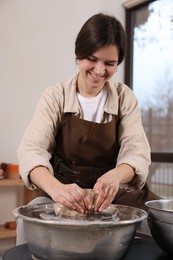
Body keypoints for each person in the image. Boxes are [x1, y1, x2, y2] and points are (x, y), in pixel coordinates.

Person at [16, 13, 160, 244]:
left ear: (118, 63)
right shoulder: (56, 96)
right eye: (92, 59)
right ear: (78, 54)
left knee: (160, 221)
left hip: (116, 193)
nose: (99, 70)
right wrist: (56, 189)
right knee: (28, 222)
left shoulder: (125, 98)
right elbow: (31, 151)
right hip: (63, 190)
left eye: (110, 63)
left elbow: (137, 151)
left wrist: (116, 176)